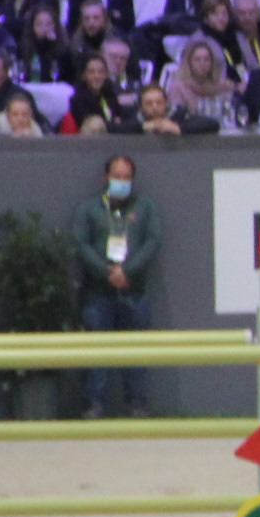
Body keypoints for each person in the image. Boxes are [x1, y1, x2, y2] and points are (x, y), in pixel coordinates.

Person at [73, 155, 162, 419]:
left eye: (126, 178)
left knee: (135, 351)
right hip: (98, 292)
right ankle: (94, 405)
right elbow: (81, 245)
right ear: (105, 178)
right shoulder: (89, 210)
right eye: (116, 177)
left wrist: (128, 271)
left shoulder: (145, 208)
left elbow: (153, 241)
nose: (121, 182)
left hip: (135, 291)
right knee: (97, 350)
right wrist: (107, 272)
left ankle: (137, 404)